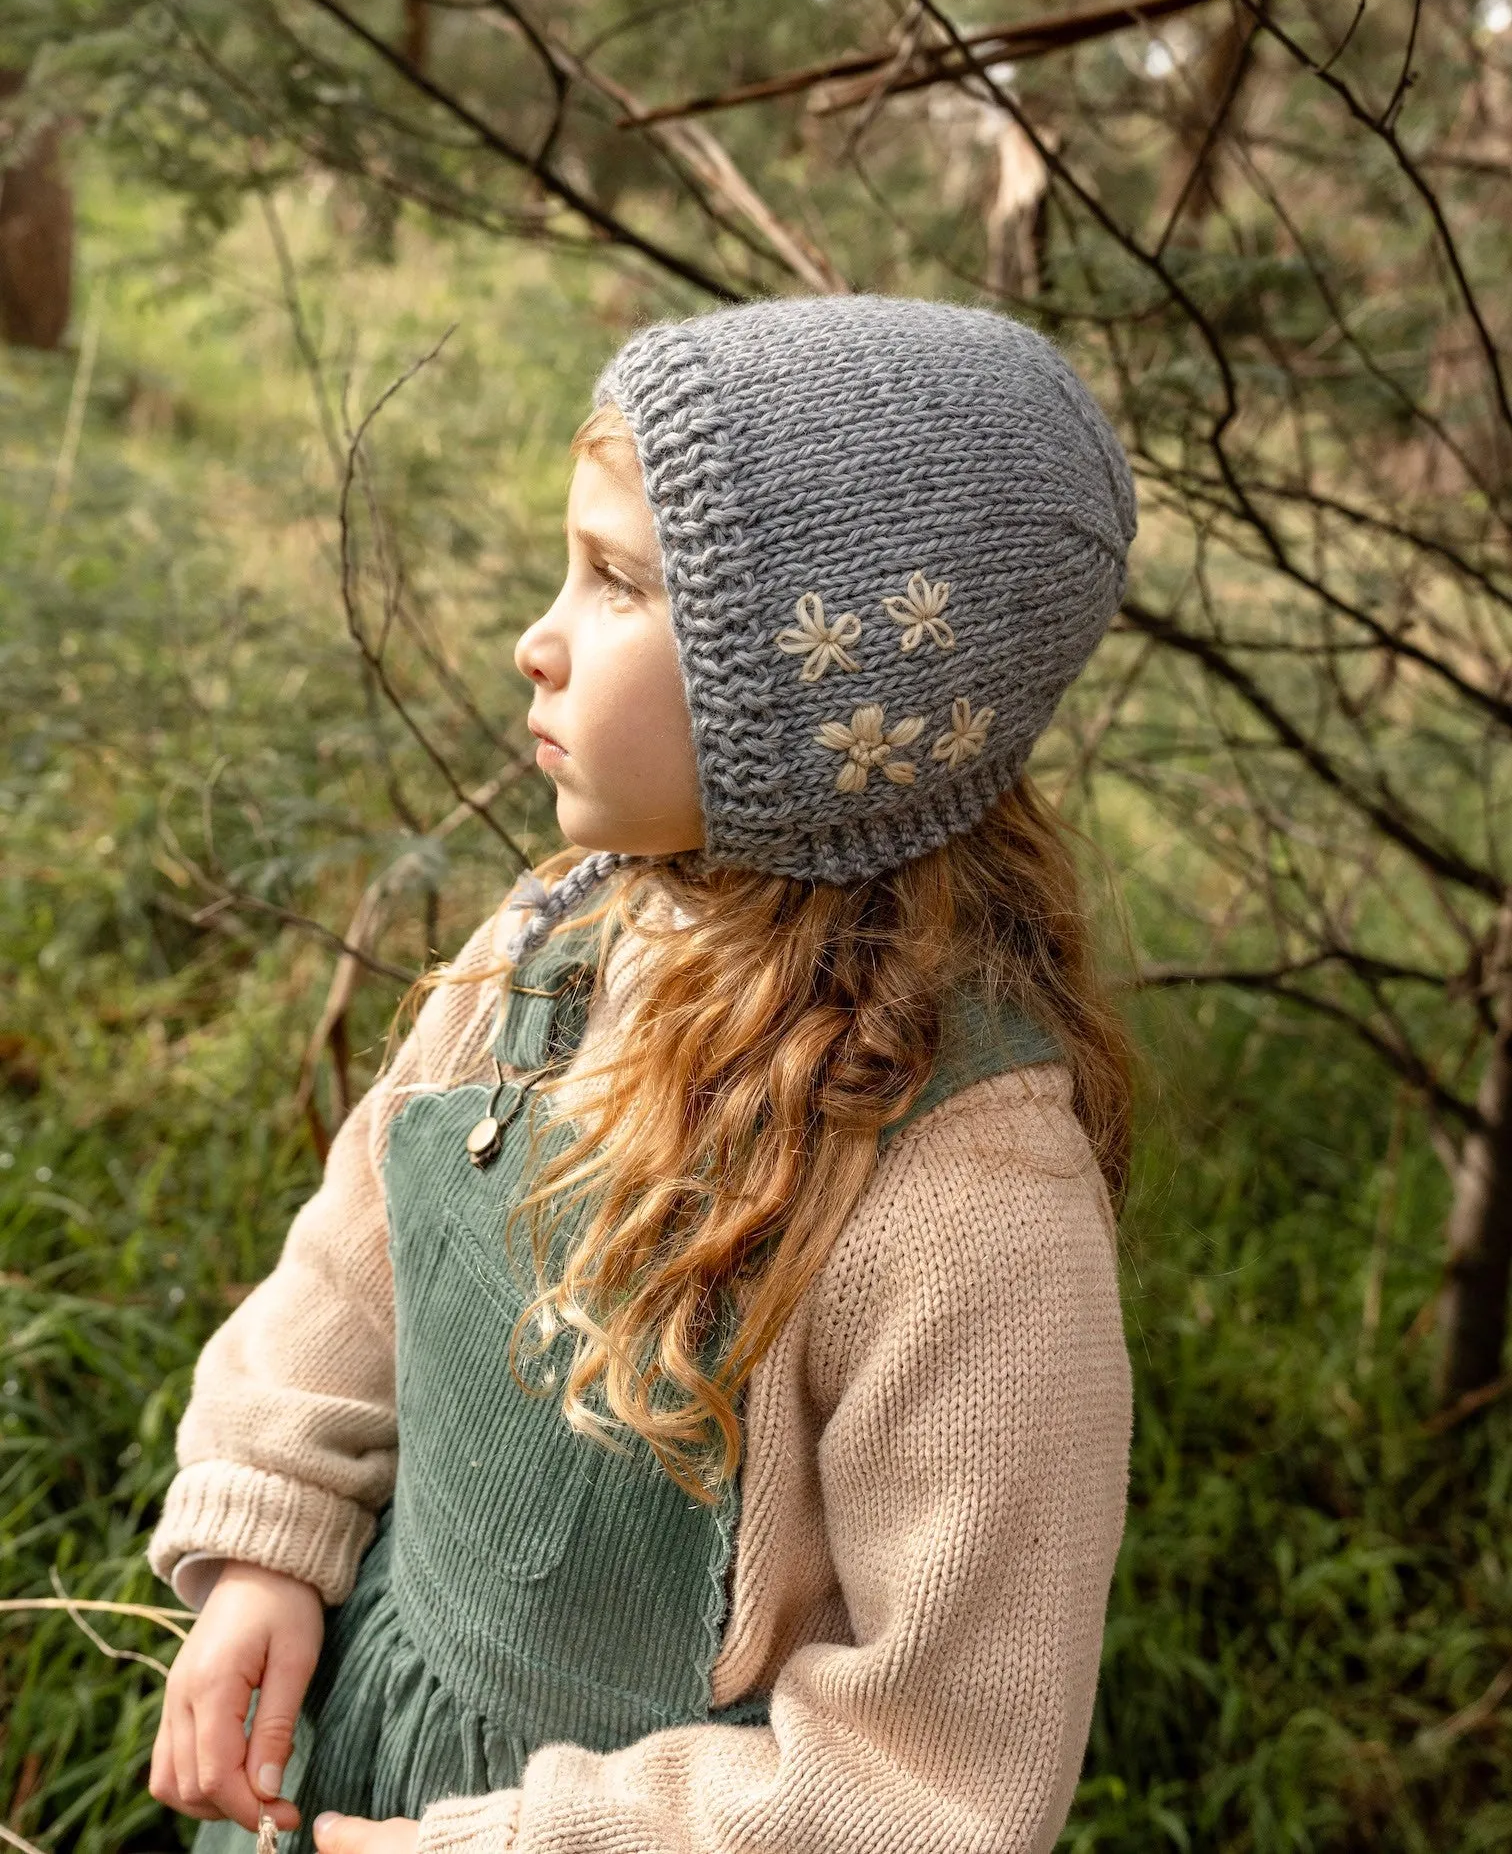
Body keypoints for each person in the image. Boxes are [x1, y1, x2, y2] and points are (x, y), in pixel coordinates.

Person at [145, 295, 1139, 1854]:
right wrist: (271, 1545)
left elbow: (935, 1777)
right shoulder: (552, 941)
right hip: (344, 1747)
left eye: (617, 583)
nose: (535, 640)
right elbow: (354, 1270)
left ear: (807, 698)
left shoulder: (966, 1202)